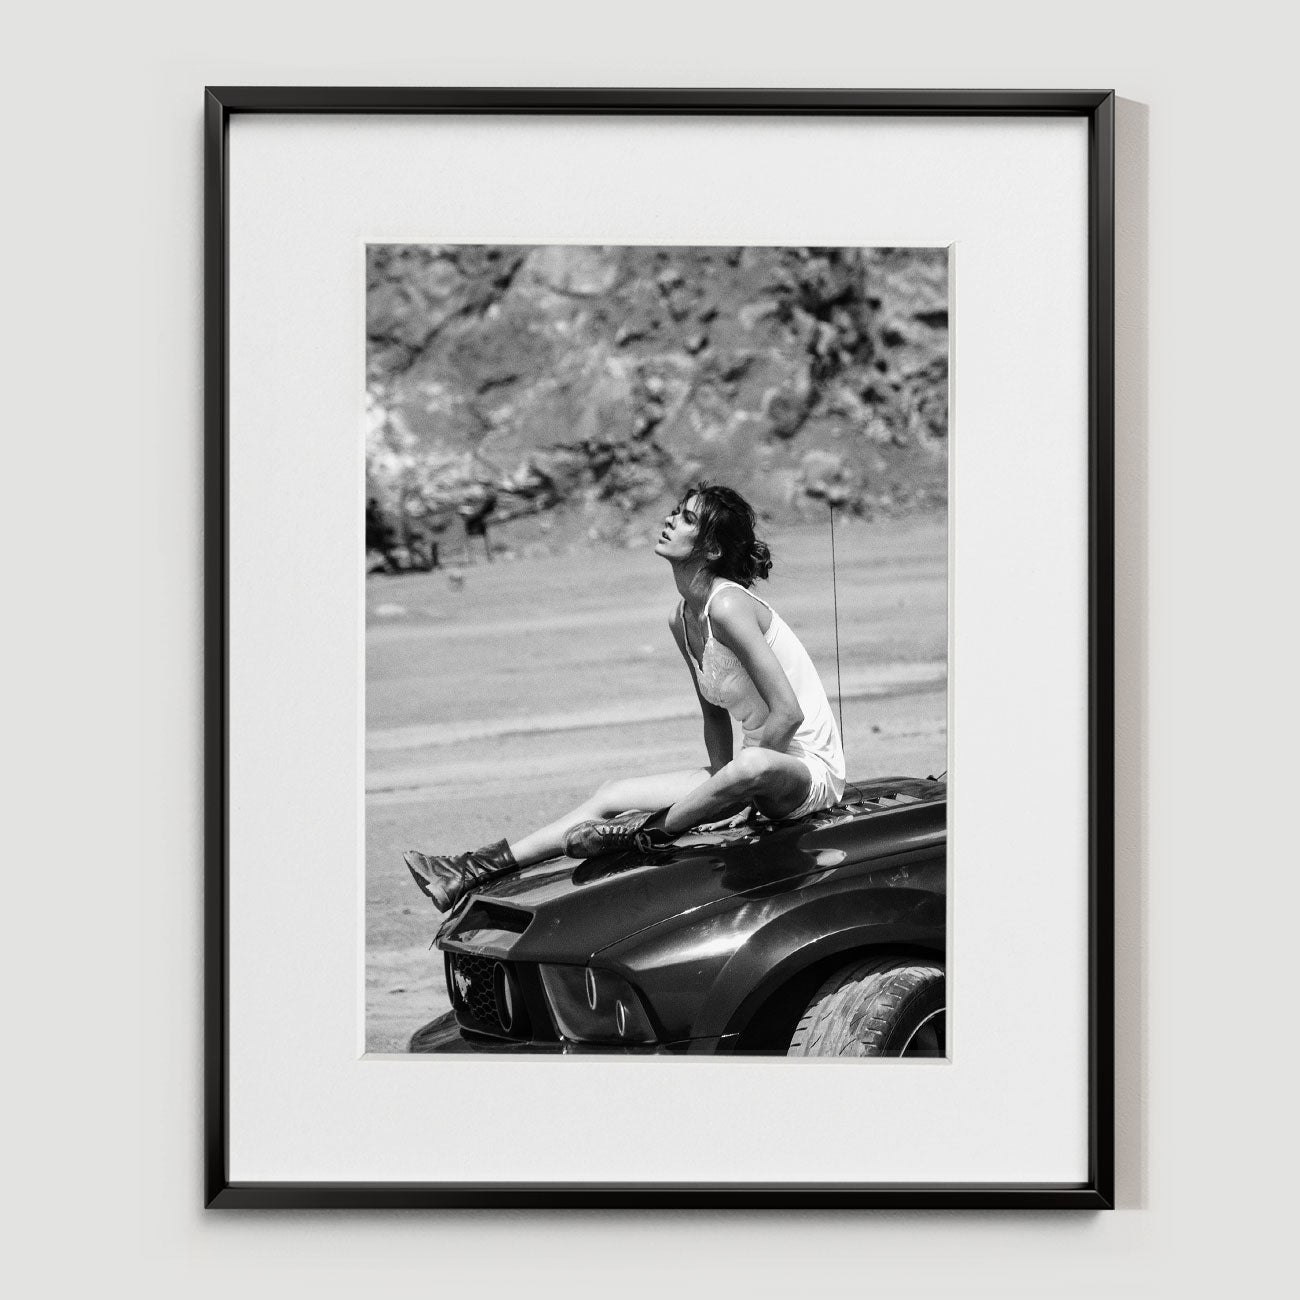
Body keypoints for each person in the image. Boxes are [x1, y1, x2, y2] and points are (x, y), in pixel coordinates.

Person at [404, 483, 846, 912]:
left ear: (711, 549)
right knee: (613, 793)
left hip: (803, 771)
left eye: (687, 519)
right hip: (748, 772)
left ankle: (647, 833)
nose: (670, 520)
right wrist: (722, 784)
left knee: (750, 766)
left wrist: (739, 794)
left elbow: (788, 713)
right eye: (675, 512)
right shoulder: (682, 618)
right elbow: (713, 717)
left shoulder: (729, 607)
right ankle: (468, 871)